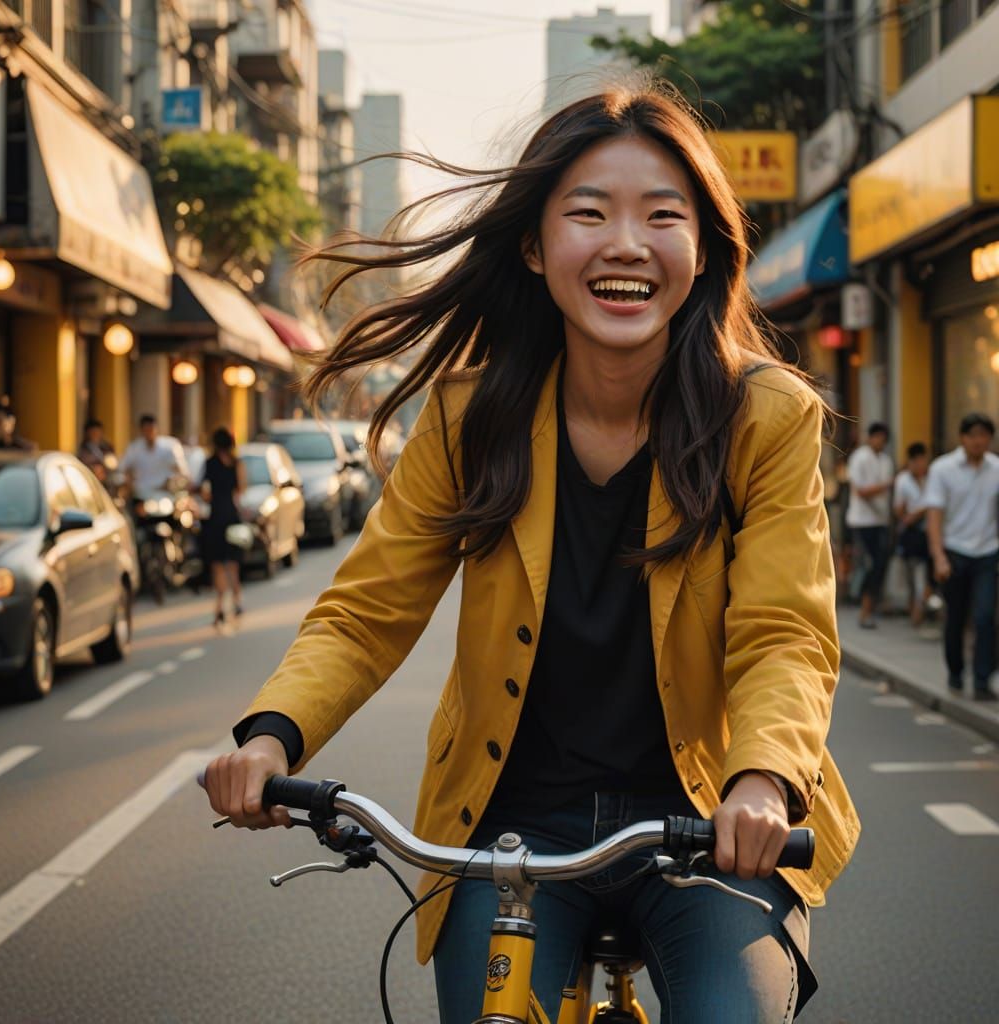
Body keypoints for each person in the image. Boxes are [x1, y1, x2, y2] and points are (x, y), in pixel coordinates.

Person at [201, 83, 859, 1022]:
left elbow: (785, 631)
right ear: (534, 245)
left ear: (704, 249)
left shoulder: (766, 414)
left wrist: (761, 784)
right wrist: (270, 736)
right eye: (588, 214)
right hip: (508, 834)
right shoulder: (474, 416)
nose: (626, 244)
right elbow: (365, 612)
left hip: (711, 825)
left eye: (662, 217)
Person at [924, 412, 999, 701]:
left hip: (988, 552)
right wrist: (939, 557)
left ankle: (982, 680)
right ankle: (955, 671)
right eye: (973, 435)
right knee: (955, 617)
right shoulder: (943, 469)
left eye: (984, 435)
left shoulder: (996, 468)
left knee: (984, 617)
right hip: (954, 551)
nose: (979, 441)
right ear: (962, 438)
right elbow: (934, 516)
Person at [844, 422, 894, 628]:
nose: (880, 441)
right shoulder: (860, 457)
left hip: (880, 520)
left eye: (883, 438)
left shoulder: (886, 460)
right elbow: (860, 491)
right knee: (869, 565)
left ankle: (870, 606)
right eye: (877, 437)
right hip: (861, 521)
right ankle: (863, 606)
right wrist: (886, 485)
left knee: (880, 565)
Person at [199, 427, 247, 627]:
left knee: (217, 564)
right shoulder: (236, 464)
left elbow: (204, 492)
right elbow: (241, 489)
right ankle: (236, 601)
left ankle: (219, 606)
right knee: (233, 562)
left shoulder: (209, 463)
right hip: (232, 516)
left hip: (215, 518)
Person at [893, 441, 934, 627]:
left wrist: (918, 513)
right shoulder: (903, 480)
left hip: (929, 533)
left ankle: (919, 611)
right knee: (912, 575)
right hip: (912, 535)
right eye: (917, 461)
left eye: (923, 460)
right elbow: (899, 511)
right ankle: (914, 611)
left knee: (924, 575)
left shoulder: (931, 478)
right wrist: (917, 514)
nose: (920, 464)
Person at [119, 414, 190, 500]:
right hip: (140, 495)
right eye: (146, 430)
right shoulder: (134, 448)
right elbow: (123, 468)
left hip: (165, 495)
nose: (149, 433)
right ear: (141, 431)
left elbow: (181, 470)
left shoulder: (170, 445)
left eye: (151, 429)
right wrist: (129, 483)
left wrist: (173, 483)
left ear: (157, 429)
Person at [77, 418, 117, 485]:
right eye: (93, 432)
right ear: (87, 433)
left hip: (107, 481)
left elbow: (113, 463)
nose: (95, 434)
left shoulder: (107, 447)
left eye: (97, 431)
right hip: (90, 481)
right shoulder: (83, 449)